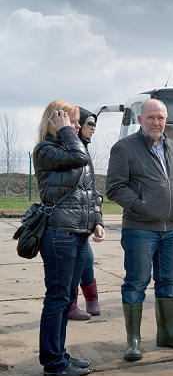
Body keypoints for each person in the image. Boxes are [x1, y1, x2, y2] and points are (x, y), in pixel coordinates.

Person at [106, 99, 173, 361]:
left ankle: (168, 332)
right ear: (140, 120)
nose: (156, 122)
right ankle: (134, 341)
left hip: (172, 228)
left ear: (167, 120)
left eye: (161, 117)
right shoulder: (124, 148)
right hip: (140, 229)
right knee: (136, 283)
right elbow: (114, 187)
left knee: (168, 281)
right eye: (151, 118)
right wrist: (141, 206)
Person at [34, 101, 104, 376]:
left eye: (76, 123)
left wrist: (97, 221)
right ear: (56, 121)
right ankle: (53, 363)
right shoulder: (46, 150)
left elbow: (89, 190)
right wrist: (66, 132)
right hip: (59, 233)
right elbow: (79, 159)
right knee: (57, 297)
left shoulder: (73, 147)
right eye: (71, 121)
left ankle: (60, 355)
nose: (76, 127)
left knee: (65, 299)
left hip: (77, 233)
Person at [68, 108, 103, 320]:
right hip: (69, 218)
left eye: (93, 125)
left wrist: (97, 219)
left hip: (84, 217)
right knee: (79, 260)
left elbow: (90, 188)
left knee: (86, 259)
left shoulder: (84, 149)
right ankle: (72, 304)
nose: (91, 129)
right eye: (88, 123)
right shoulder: (69, 150)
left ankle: (91, 299)